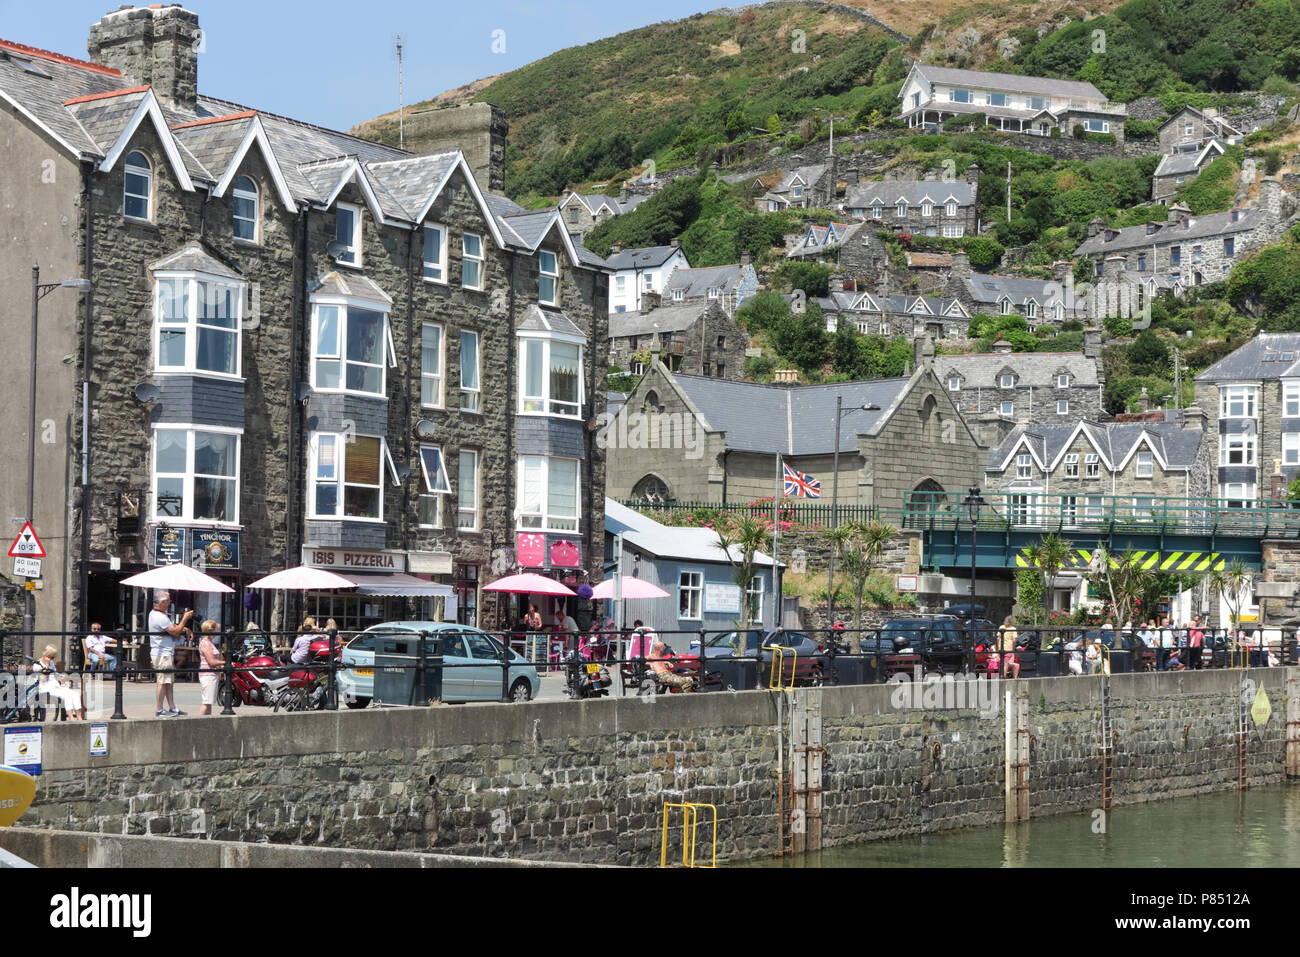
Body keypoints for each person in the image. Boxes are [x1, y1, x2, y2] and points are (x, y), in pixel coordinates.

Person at [149, 591, 191, 717]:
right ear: (162, 602)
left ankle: (172, 707)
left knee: (169, 681)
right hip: (162, 654)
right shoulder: (159, 617)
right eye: (168, 601)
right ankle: (159, 709)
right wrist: (185, 619)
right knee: (162, 681)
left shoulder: (157, 614)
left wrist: (185, 628)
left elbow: (172, 627)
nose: (169, 603)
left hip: (165, 652)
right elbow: (175, 632)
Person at [197, 620, 224, 716]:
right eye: (216, 630)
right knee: (207, 701)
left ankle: (206, 721)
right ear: (211, 631)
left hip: (211, 674)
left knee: (208, 701)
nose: (217, 633)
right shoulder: (206, 643)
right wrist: (225, 663)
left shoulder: (208, 642)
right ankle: (201, 721)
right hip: (208, 674)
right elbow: (211, 661)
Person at [998, 615, 1019, 679]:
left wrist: (997, 647)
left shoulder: (1001, 627)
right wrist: (1013, 649)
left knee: (1002, 662)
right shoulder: (1013, 628)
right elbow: (1014, 640)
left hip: (1000, 647)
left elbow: (998, 638)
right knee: (1006, 663)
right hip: (1008, 648)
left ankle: (1002, 676)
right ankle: (1003, 677)